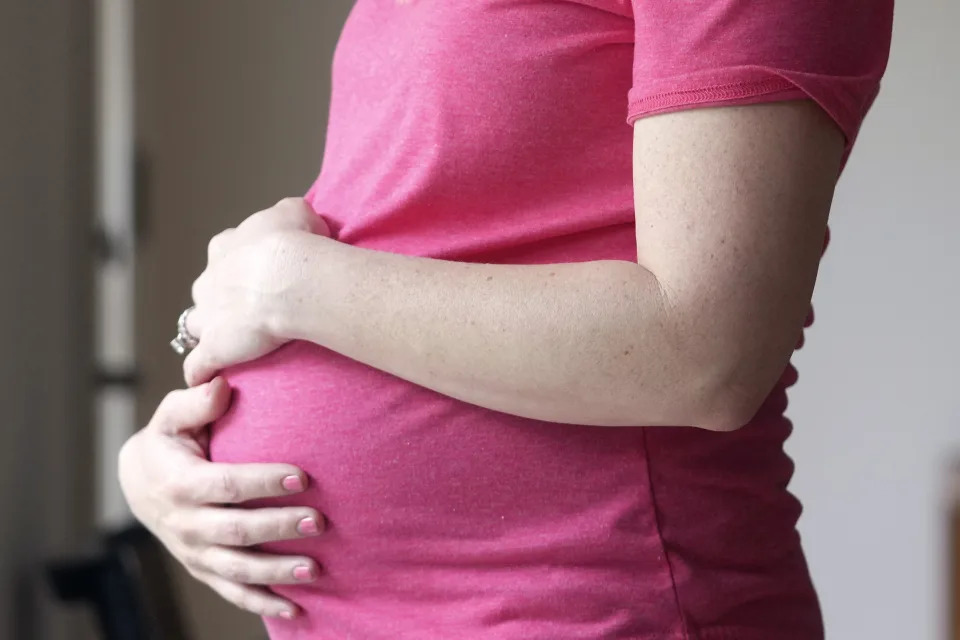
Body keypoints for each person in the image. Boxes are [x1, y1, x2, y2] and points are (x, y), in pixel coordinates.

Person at [119, 2, 894, 638]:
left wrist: (290, 284)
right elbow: (418, 233)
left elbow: (705, 351)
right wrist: (182, 445)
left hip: (597, 606)